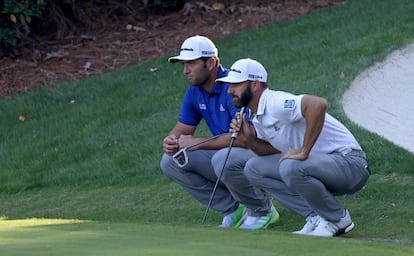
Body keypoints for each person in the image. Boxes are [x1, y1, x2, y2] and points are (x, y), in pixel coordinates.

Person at [216, 58, 370, 237]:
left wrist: (304, 150)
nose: (230, 90)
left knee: (290, 166)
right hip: (324, 166)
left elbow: (317, 104)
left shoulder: (275, 102)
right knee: (253, 168)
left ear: (255, 84)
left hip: (351, 164)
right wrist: (248, 138)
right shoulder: (256, 114)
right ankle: (317, 217)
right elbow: (269, 151)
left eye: (236, 85)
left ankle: (337, 219)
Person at [160, 36, 278, 229]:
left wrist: (196, 142)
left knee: (222, 158)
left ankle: (262, 210)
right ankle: (232, 209)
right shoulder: (194, 90)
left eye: (191, 63)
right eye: (184, 64)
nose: (185, 70)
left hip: (262, 155)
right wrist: (171, 141)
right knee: (170, 160)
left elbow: (245, 138)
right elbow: (182, 129)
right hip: (229, 157)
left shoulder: (235, 85)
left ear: (211, 62)